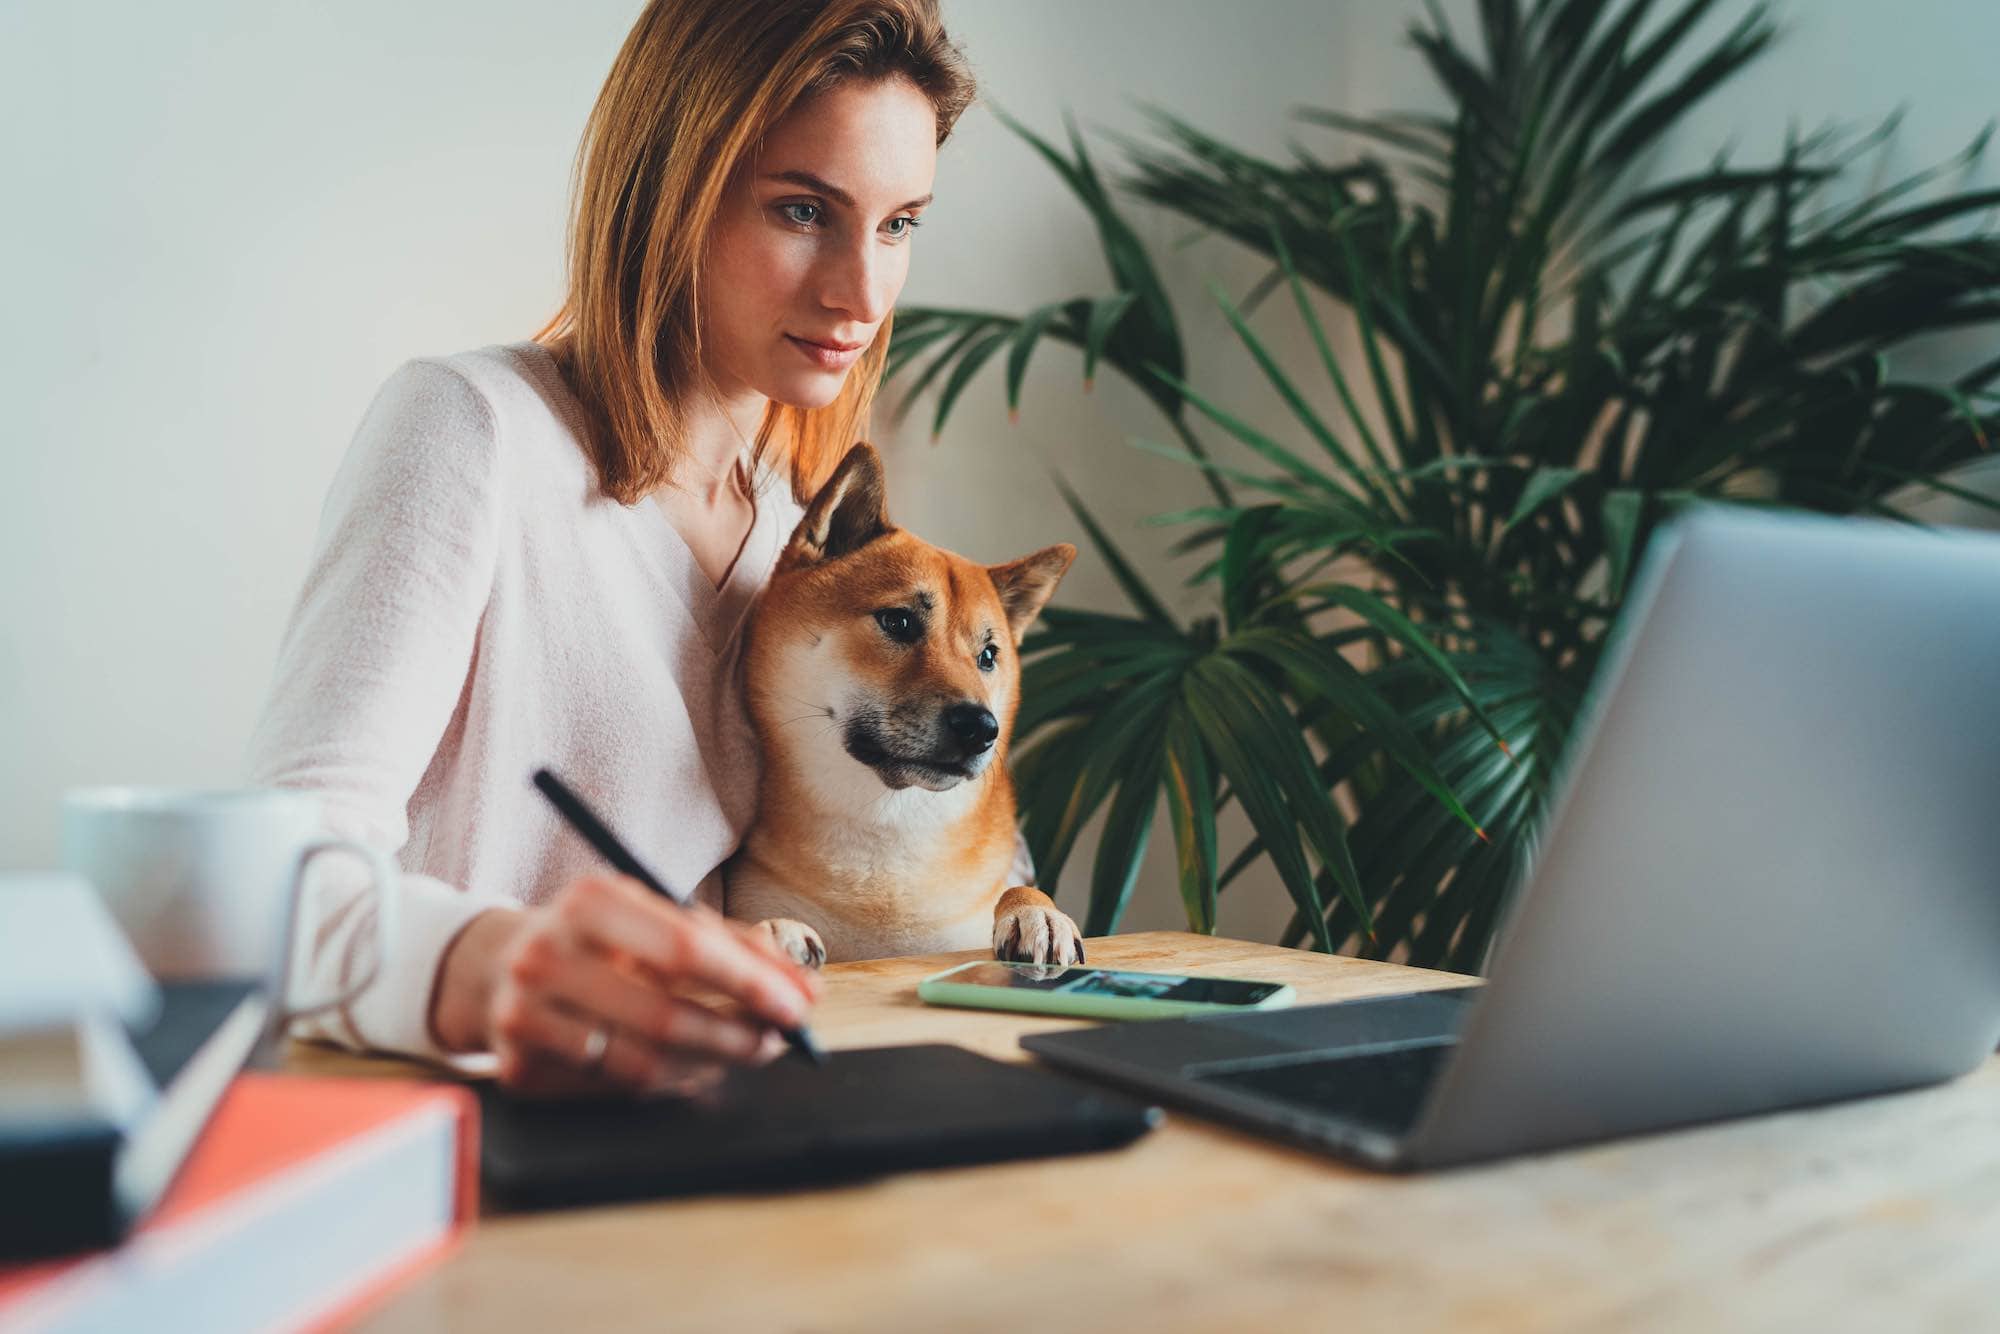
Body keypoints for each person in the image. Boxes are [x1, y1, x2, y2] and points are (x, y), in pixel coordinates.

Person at [247, 0, 979, 1095]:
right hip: (469, 1130)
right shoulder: (474, 428)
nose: (860, 294)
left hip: (705, 1127)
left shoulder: (799, 546)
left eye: (897, 225)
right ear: (668, 190)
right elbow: (275, 877)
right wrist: (473, 965)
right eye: (799, 210)